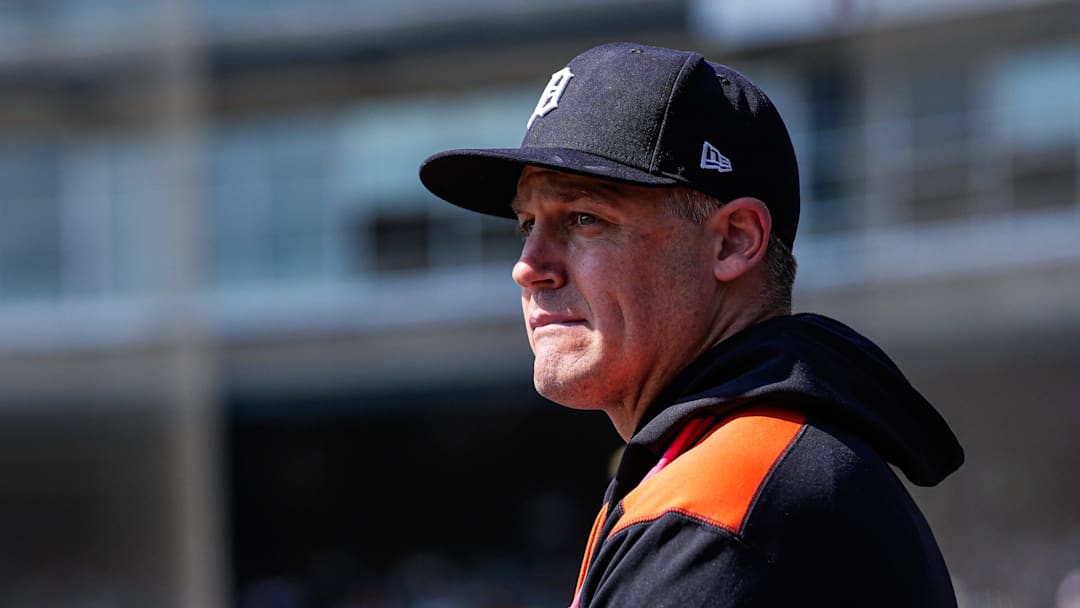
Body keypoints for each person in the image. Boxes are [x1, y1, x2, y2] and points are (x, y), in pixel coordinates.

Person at [419, 42, 964, 607]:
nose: (528, 267)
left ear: (732, 240)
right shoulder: (743, 462)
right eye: (527, 223)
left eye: (584, 218)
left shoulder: (727, 497)